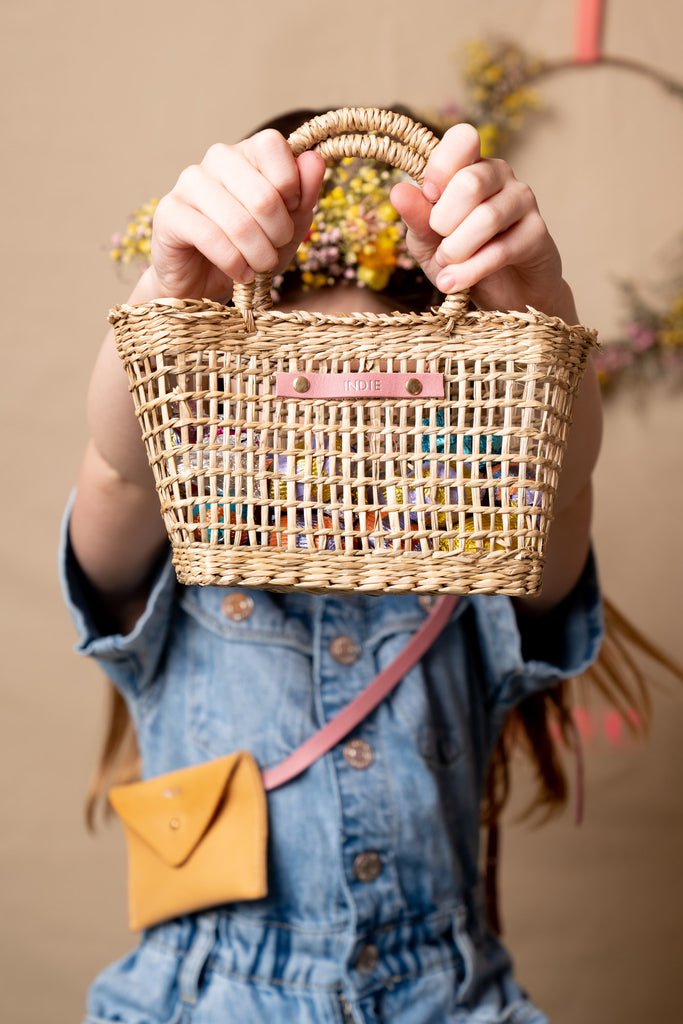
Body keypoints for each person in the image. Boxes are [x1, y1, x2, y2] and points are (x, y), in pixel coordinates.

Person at [61, 105, 623, 1023]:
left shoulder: (479, 554)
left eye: (396, 299)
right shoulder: (172, 537)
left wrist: (535, 314)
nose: (348, 352)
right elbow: (124, 464)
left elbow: (556, 483)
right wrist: (173, 294)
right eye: (300, 296)